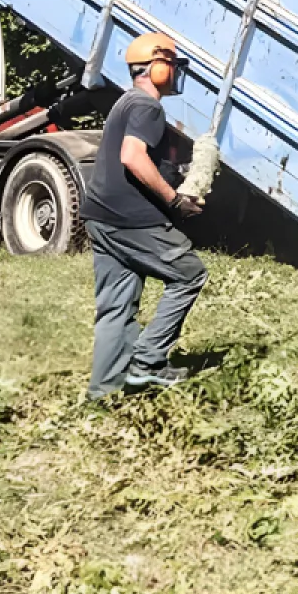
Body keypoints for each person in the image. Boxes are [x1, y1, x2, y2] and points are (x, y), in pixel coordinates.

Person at [84, 31, 207, 398]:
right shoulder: (148, 106)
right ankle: (147, 361)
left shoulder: (125, 102)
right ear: (156, 68)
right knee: (189, 275)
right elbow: (132, 156)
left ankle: (103, 394)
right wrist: (174, 201)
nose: (174, 74)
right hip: (129, 219)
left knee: (116, 306)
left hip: (99, 217)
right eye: (171, 65)